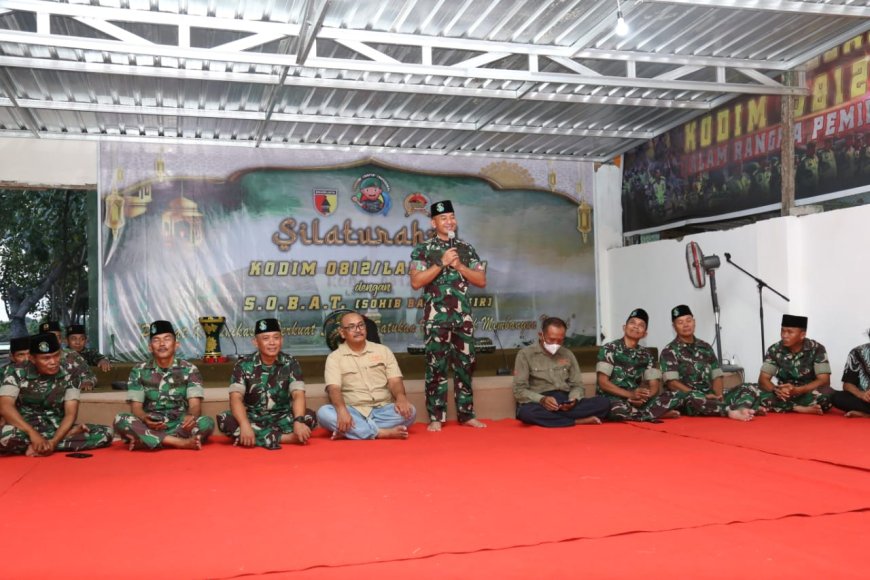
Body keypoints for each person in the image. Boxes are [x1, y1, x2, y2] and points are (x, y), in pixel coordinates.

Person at [410, 199, 487, 432]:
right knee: (436, 366)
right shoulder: (423, 250)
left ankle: (467, 414)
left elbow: (481, 280)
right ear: (433, 222)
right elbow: (416, 282)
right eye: (443, 218)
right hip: (437, 319)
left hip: (462, 318)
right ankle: (436, 417)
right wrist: (442, 264)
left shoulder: (466, 248)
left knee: (465, 365)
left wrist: (460, 266)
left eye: (452, 217)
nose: (449, 221)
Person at [0, 333, 113, 456]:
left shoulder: (71, 372)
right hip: (23, 429)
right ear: (32, 359)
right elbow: (5, 407)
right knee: (6, 434)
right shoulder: (15, 371)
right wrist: (33, 434)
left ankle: (41, 446)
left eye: (56, 355)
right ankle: (49, 442)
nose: (53, 362)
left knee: (106, 433)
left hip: (56, 428)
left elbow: (70, 414)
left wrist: (54, 442)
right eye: (46, 358)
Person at [113, 320, 214, 450]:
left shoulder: (190, 369)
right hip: (152, 424)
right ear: (150, 347)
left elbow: (195, 405)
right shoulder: (138, 370)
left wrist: (191, 417)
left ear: (176, 344)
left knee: (207, 422)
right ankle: (178, 442)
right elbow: (136, 408)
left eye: (167, 339)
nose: (162, 344)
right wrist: (145, 418)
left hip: (179, 423)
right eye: (156, 340)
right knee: (120, 419)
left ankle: (149, 440)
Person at [216, 318, 317, 448]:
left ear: (282, 340)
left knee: (309, 416)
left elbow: (298, 394)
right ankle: (286, 438)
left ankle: (258, 437)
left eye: (276, 338)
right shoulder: (243, 365)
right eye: (266, 338)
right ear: (255, 342)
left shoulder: (291, 362)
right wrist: (245, 425)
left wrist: (298, 421)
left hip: (283, 417)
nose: (272, 343)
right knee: (225, 419)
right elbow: (235, 398)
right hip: (253, 418)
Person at [316, 311, 416, 440]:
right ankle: (380, 433)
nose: (357, 330)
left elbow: (395, 381)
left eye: (360, 325)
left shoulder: (383, 350)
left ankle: (352, 431)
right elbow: (333, 389)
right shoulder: (334, 358)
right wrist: (341, 410)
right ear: (342, 333)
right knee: (324, 413)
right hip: (353, 411)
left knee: (410, 412)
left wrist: (401, 398)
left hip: (383, 410)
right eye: (351, 327)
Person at [659, 305, 756, 422]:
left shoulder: (706, 347)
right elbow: (672, 384)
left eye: (688, 321)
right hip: (689, 397)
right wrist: (703, 396)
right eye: (680, 322)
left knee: (749, 387)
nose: (685, 325)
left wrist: (718, 396)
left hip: (711, 396)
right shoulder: (668, 351)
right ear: (674, 326)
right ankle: (730, 410)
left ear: (694, 322)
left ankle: (736, 407)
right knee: (693, 398)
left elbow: (717, 375)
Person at [513, 317, 610, 427]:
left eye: (560, 340)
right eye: (551, 339)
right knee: (527, 413)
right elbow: (519, 390)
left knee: (604, 403)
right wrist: (542, 400)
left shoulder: (568, 354)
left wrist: (573, 399)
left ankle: (556, 420)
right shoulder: (525, 355)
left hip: (564, 401)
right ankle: (576, 421)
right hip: (540, 402)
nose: (556, 344)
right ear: (541, 335)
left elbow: (577, 385)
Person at [596, 308, 679, 422]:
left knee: (675, 395)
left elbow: (654, 384)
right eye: (632, 323)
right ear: (624, 327)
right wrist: (630, 395)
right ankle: (652, 414)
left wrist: (644, 398)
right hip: (612, 397)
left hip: (637, 399)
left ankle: (642, 412)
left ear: (645, 334)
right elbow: (603, 382)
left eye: (641, 325)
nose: (636, 326)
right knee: (614, 408)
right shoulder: (609, 348)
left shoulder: (647, 354)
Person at [757, 314, 832, 414]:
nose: (784, 335)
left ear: (802, 335)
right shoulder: (774, 349)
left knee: (829, 394)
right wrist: (776, 390)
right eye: (782, 331)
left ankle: (785, 407)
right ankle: (797, 408)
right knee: (750, 390)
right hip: (783, 394)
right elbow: (763, 379)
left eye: (790, 332)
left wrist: (798, 390)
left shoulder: (817, 349)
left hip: (806, 393)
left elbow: (824, 381)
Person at [39, 321, 96, 391]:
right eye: (49, 337)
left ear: (61, 339)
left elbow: (89, 375)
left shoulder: (72, 355)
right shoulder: (31, 358)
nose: (55, 340)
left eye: (58, 337)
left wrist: (87, 382)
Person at [830, 333, 870, 418]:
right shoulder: (857, 352)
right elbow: (847, 385)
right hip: (865, 400)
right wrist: (861, 394)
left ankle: (866, 414)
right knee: (836, 396)